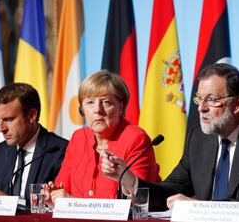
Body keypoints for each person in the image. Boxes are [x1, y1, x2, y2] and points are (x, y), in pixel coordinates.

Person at [100, 63, 239, 216]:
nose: (201, 108)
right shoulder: (199, 138)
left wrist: (200, 207)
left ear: (237, 103)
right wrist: (130, 180)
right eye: (199, 99)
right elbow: (172, 190)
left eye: (211, 100)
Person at [44, 71, 161, 205]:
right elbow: (63, 189)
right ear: (82, 109)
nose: (97, 110)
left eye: (106, 102)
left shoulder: (136, 139)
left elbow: (140, 201)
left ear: (121, 108)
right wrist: (53, 197)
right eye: (90, 102)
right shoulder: (78, 138)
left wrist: (73, 202)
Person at [0, 83, 68, 207]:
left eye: (8, 119)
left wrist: (11, 204)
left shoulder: (60, 151)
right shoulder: (1, 151)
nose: (1, 128)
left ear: (31, 115)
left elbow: (59, 205)